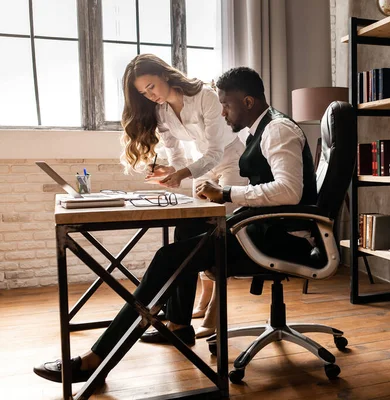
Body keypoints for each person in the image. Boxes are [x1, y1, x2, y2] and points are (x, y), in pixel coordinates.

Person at [33, 66, 318, 384]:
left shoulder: (278, 130)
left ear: (249, 101)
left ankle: (96, 360)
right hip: (261, 230)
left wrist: (225, 193)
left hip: (279, 239)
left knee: (168, 258)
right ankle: (172, 329)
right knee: (182, 239)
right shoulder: (260, 130)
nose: (222, 113)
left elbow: (289, 191)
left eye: (227, 105)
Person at [121, 54, 248, 337]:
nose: (149, 95)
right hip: (202, 168)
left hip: (231, 163)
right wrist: (171, 170)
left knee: (218, 234)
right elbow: (177, 155)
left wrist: (182, 174)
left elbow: (215, 151)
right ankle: (183, 319)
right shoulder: (162, 111)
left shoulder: (205, 96)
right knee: (189, 233)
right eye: (143, 93)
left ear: (165, 75)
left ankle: (214, 310)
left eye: (151, 87)